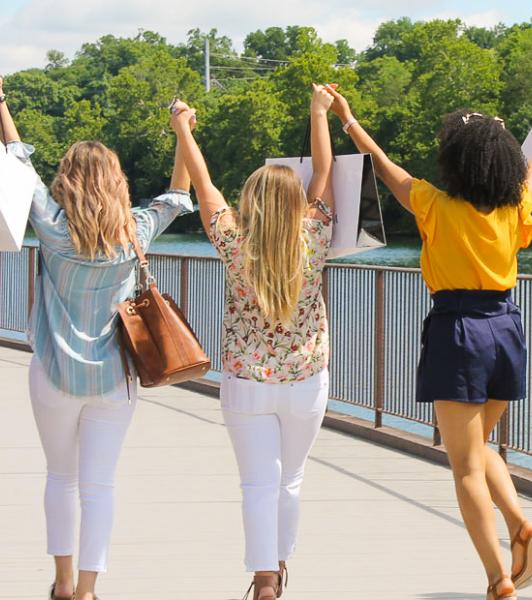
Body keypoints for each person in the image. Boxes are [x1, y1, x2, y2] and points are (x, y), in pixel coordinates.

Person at [325, 73, 532, 600]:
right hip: (506, 328)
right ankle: (524, 532)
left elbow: (385, 168)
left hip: (458, 330)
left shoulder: (434, 204)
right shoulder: (517, 203)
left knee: (465, 467)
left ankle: (500, 577)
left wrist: (347, 118)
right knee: (478, 448)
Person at [0, 68, 195, 600]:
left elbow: (17, 156)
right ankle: (90, 589)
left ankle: (64, 582)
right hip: (115, 380)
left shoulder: (50, 226)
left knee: (60, 479)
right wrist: (182, 131)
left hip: (52, 373)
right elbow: (178, 194)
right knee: (99, 486)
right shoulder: (135, 233)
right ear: (117, 183)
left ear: (67, 181)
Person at [169, 85, 335, 600]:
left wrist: (182, 128)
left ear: (251, 201)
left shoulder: (232, 241)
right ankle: (280, 565)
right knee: (292, 478)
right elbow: (325, 173)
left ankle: (263, 578)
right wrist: (318, 112)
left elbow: (202, 182)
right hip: (305, 381)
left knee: (256, 483)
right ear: (294, 202)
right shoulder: (315, 235)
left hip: (245, 382)